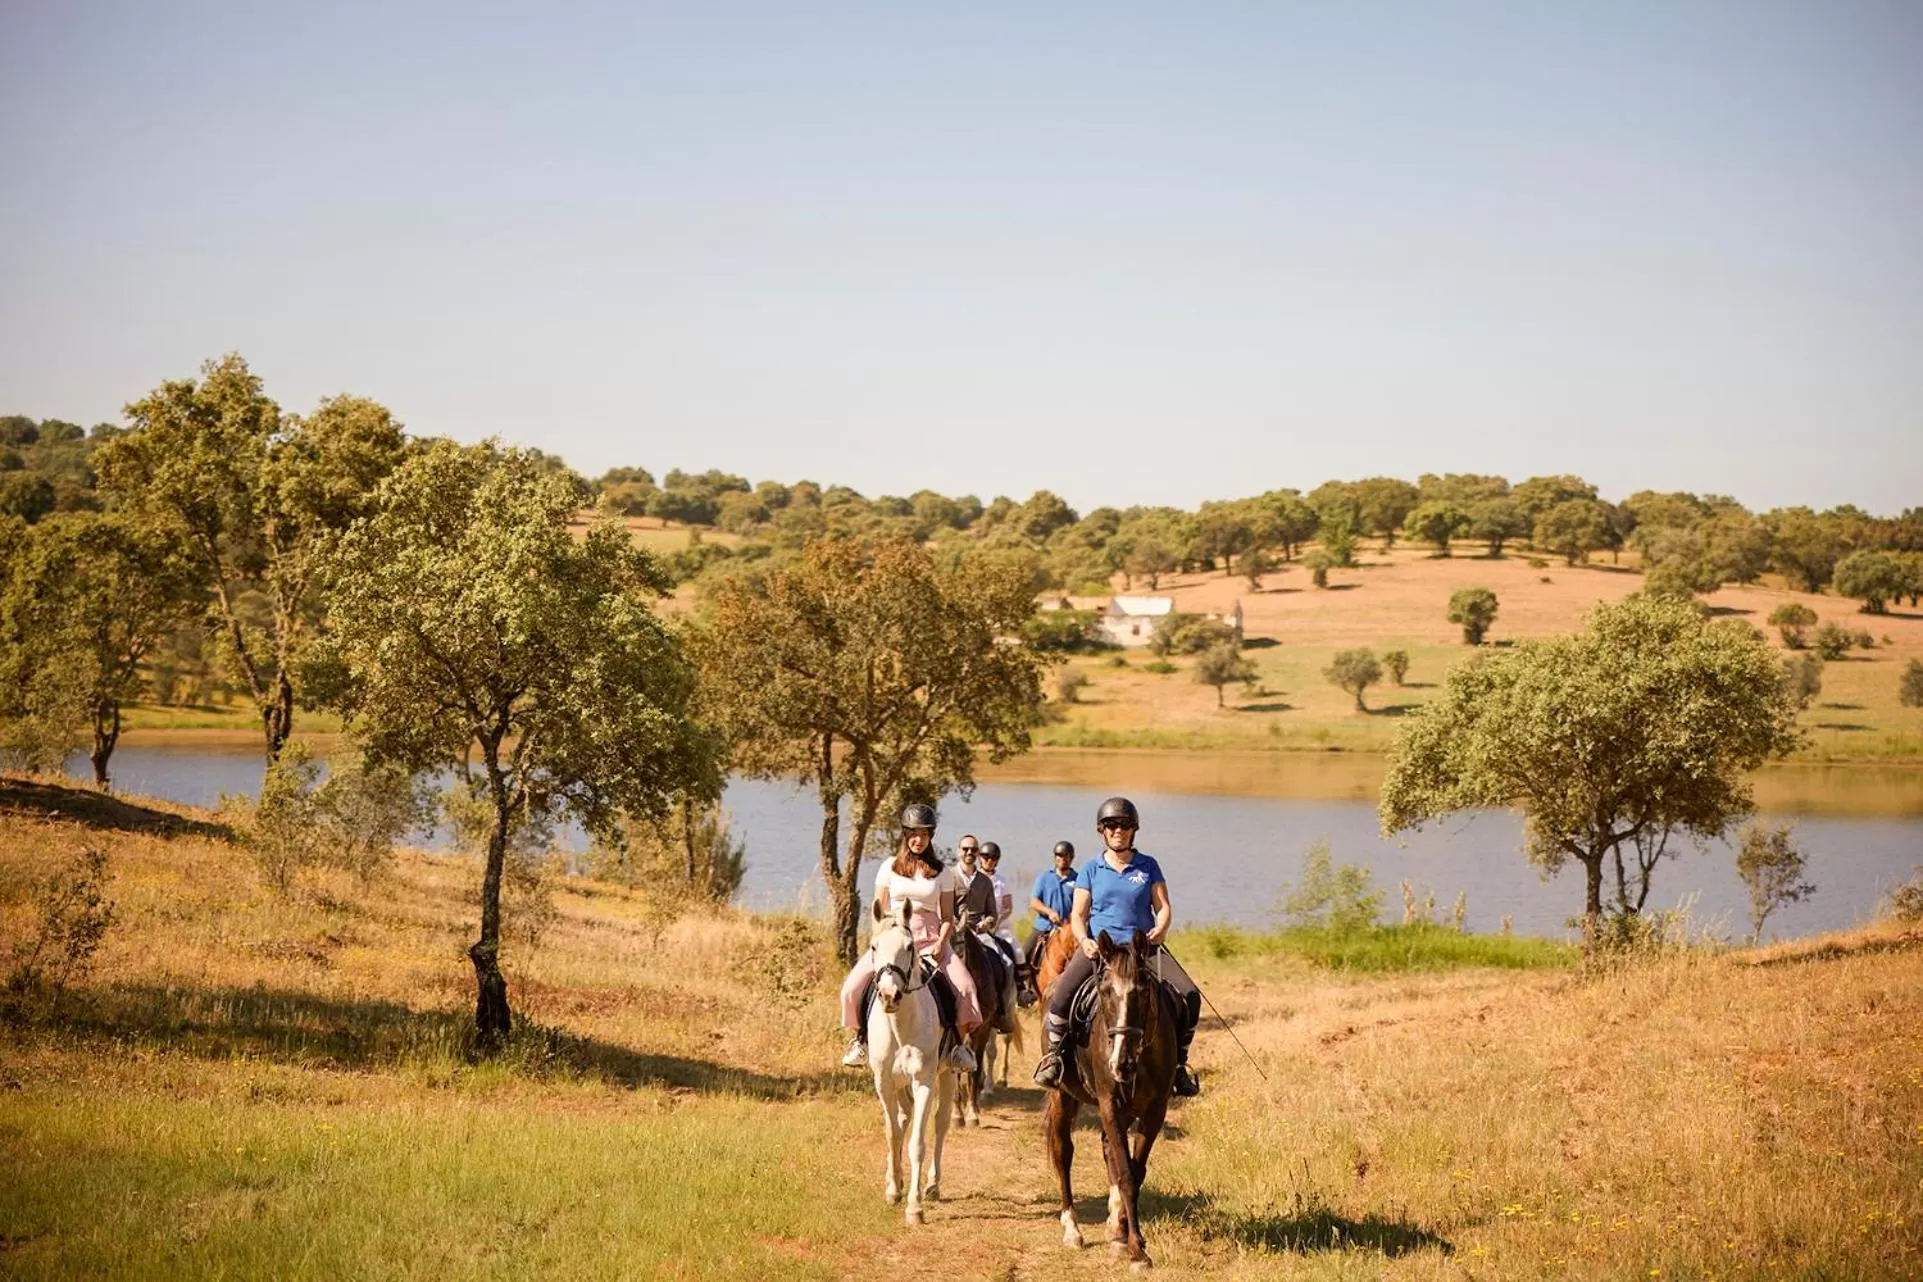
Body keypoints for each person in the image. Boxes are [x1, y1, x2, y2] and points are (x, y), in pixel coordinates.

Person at [1031, 797, 1203, 1097]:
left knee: (1189, 994)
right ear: (1102, 831)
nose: (1117, 830)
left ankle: (1178, 1066)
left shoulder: (1148, 865)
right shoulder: (1090, 868)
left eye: (1123, 825)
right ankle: (1054, 1059)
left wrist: (1160, 929)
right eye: (1111, 825)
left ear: (1133, 829)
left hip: (1141, 949)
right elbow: (1079, 915)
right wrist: (1084, 940)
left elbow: (1163, 907)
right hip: (1103, 950)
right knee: (1059, 996)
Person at [838, 803, 982, 1071]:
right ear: (905, 834)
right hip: (892, 939)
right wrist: (879, 941)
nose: (918, 839)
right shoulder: (888, 867)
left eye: (924, 834)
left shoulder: (943, 873)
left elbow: (948, 917)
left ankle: (958, 1048)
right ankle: (860, 1041)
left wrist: (941, 943)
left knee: (966, 987)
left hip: (930, 939)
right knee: (851, 987)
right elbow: (877, 909)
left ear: (931, 836)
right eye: (913, 834)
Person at [1026, 840, 1078, 973]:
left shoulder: (1078, 879)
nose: (1062, 859)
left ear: (1071, 858)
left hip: (1068, 931)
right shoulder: (1044, 877)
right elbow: (1034, 902)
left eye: (1065, 855)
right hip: (1044, 927)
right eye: (1059, 855)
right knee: (1023, 955)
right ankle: (1024, 988)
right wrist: (1049, 912)